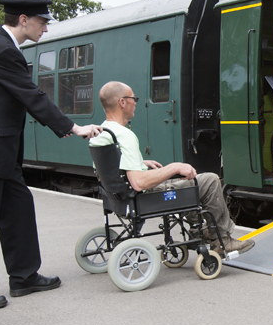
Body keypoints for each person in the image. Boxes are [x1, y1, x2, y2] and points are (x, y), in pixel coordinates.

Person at [0, 0, 103, 311]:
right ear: (23, 20)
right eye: (42, 22)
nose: (45, 28)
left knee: (18, 208)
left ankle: (24, 276)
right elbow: (32, 96)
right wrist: (74, 127)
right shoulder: (0, 50)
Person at [90, 81, 254, 256]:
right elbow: (138, 183)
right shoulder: (125, 135)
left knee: (187, 183)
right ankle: (220, 238)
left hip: (118, 197)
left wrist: (140, 164)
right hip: (143, 197)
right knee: (209, 181)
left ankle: (200, 230)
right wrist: (173, 167)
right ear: (122, 102)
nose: (135, 102)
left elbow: (110, 168)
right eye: (133, 98)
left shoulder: (102, 132)